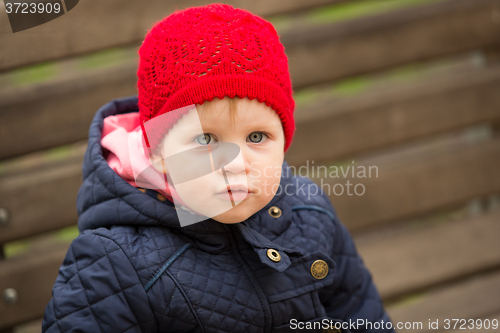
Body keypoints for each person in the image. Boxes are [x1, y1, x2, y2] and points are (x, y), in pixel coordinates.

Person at [42, 3, 394, 332]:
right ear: (158, 151)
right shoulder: (113, 265)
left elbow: (360, 314)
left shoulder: (309, 212)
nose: (236, 163)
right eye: (206, 140)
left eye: (257, 136)